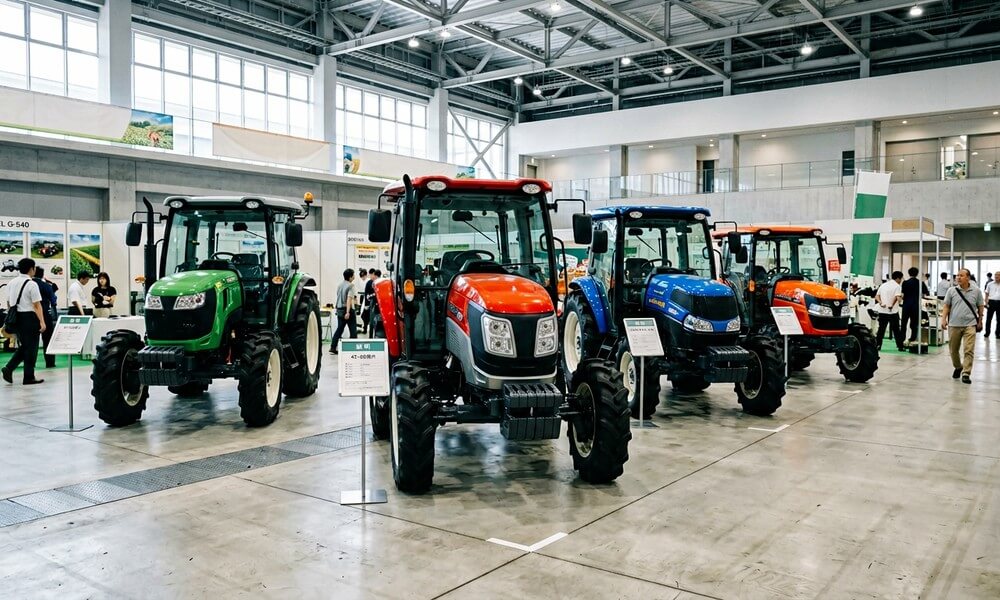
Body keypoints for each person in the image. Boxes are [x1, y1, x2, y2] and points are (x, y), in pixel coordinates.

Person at [2, 258, 46, 385]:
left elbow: (9, 303)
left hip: (16, 318)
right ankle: (27, 376)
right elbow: (37, 305)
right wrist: (42, 322)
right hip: (29, 318)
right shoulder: (32, 284)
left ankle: (11, 369)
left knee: (25, 346)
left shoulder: (11, 283)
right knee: (31, 348)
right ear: (31, 269)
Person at [941, 268, 984, 383]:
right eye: (957, 276)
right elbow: (946, 306)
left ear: (968, 278)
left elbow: (980, 306)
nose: (958, 278)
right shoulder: (951, 290)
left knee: (968, 349)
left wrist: (980, 320)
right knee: (953, 349)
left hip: (970, 324)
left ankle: (966, 373)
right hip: (954, 324)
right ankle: (958, 366)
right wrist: (943, 319)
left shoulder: (976, 291)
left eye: (961, 275)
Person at [329, 268, 358, 354]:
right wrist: (348, 312)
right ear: (350, 277)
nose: (354, 276)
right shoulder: (351, 286)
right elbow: (349, 299)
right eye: (353, 275)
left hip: (339, 309)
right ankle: (353, 348)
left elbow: (338, 297)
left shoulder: (340, 285)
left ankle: (333, 347)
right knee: (353, 330)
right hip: (347, 310)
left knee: (339, 329)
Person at [874, 271, 905, 351]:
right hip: (892, 312)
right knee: (896, 330)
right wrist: (895, 302)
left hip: (882, 310)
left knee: (881, 329)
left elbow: (877, 296)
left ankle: (878, 345)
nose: (901, 280)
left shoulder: (883, 285)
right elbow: (897, 298)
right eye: (901, 279)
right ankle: (900, 346)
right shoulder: (897, 286)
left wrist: (881, 303)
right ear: (898, 278)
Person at [33, 267, 57, 369]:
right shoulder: (46, 286)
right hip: (46, 314)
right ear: (42, 275)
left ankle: (30, 364)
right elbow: (53, 300)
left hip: (31, 315)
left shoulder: (29, 284)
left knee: (32, 342)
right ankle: (50, 363)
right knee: (48, 339)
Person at [900, 267, 930, 345]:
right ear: (917, 274)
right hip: (916, 305)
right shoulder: (921, 283)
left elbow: (902, 295)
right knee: (914, 324)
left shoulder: (905, 283)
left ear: (908, 273)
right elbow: (926, 294)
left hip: (906, 305)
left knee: (903, 323)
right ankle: (912, 339)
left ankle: (901, 341)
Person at [984, 271, 1000, 339]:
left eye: (998, 275)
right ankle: (987, 333)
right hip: (991, 302)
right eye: (995, 275)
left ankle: (998, 333)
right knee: (988, 319)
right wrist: (986, 302)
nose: (996, 276)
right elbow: (986, 294)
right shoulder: (990, 284)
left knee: (999, 319)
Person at [361, 269, 376, 336]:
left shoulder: (373, 282)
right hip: (370, 303)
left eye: (370, 274)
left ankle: (371, 333)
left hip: (373, 304)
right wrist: (367, 304)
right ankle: (368, 332)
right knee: (367, 317)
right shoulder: (369, 282)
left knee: (371, 319)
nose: (370, 276)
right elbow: (366, 294)